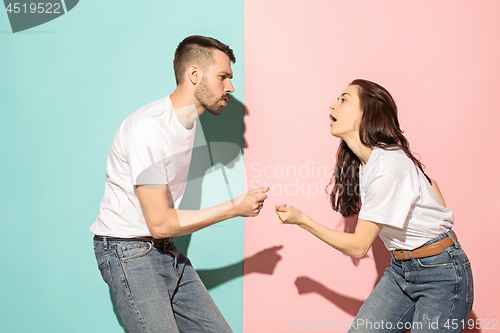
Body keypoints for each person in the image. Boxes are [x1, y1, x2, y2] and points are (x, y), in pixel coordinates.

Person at [91, 35, 269, 333]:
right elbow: (160, 222)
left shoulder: (187, 124)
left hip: (164, 250)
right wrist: (235, 207)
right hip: (128, 252)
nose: (231, 87)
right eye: (223, 77)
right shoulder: (149, 130)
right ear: (194, 75)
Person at [275, 79, 473, 332]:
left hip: (441, 274)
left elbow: (358, 247)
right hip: (402, 270)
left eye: (344, 99)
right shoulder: (369, 163)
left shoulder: (387, 166)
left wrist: (302, 220)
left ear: (366, 113)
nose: (332, 105)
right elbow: (430, 184)